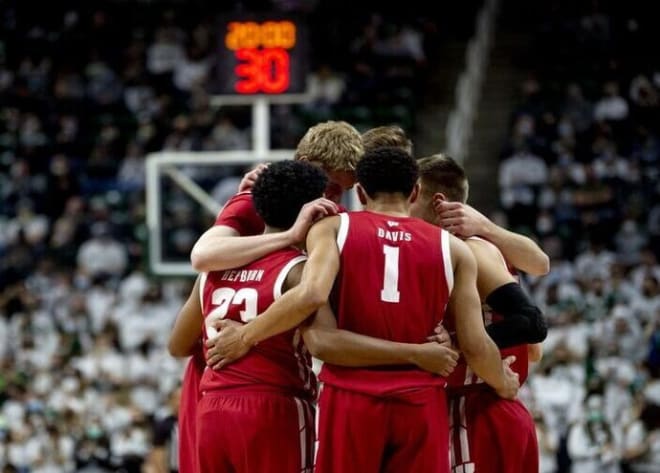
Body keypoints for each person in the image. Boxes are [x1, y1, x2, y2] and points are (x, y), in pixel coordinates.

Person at [210, 147, 520, 473]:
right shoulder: (454, 249)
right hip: (420, 400)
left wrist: (245, 336)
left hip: (349, 399)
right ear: (414, 192)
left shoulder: (331, 229)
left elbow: (315, 311)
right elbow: (474, 343)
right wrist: (503, 381)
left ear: (359, 192)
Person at [172, 120, 364, 473]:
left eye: (343, 192)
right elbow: (201, 256)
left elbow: (177, 343)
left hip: (216, 396)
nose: (335, 200)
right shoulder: (262, 219)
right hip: (271, 398)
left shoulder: (214, 275)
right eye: (333, 188)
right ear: (308, 168)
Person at [410, 153, 548, 473]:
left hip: (479, 410)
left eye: (409, 199)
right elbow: (535, 353)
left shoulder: (470, 248)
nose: (403, 210)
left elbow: (532, 325)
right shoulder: (470, 248)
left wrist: (458, 345)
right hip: (492, 408)